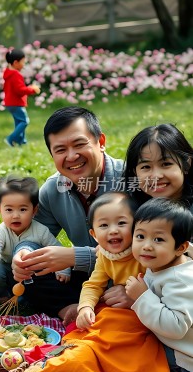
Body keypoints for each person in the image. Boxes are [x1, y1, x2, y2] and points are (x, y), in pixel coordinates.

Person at [11, 106, 124, 319]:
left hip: (130, 276)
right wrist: (24, 252)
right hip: (89, 279)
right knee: (30, 271)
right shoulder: (53, 189)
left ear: (101, 142)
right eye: (60, 150)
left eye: (79, 144)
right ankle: (69, 310)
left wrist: (76, 256)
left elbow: (149, 248)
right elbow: (34, 233)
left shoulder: (133, 182)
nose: (71, 156)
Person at [125, 199, 193, 372]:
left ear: (181, 247)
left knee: (125, 355)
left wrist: (142, 297)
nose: (146, 245)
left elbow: (176, 327)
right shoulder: (163, 261)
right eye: (140, 236)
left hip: (183, 356)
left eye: (158, 239)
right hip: (167, 340)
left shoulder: (181, 280)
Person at [0, 174, 70, 301]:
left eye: (23, 209)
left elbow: (57, 249)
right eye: (9, 210)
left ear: (34, 210)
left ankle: (25, 296)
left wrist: (63, 270)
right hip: (5, 272)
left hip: (30, 275)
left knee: (33, 292)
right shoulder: (0, 231)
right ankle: (0, 295)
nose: (16, 215)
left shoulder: (40, 230)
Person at [76, 192, 143, 329]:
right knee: (83, 329)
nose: (113, 230)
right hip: (120, 307)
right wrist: (85, 307)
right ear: (94, 235)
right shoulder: (105, 255)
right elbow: (94, 285)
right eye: (104, 225)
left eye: (121, 223)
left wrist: (141, 296)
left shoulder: (144, 253)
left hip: (146, 310)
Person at [122, 123, 193, 211]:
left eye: (166, 164)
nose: (156, 176)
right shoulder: (128, 210)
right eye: (146, 167)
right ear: (135, 172)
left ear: (187, 165)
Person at [3, 48, 40, 147]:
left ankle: (21, 141)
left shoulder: (8, 73)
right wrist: (32, 89)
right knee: (24, 121)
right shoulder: (16, 74)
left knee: (18, 122)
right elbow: (20, 90)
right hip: (16, 103)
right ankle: (10, 139)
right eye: (23, 62)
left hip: (10, 103)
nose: (24, 64)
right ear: (15, 62)